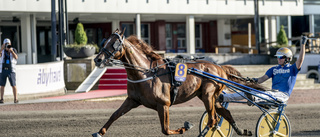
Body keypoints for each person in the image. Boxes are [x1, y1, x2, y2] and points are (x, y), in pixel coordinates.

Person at [219, 36, 307, 104]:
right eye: (278, 57)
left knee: (265, 94)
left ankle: (254, 98)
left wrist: (303, 44)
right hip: (272, 93)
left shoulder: (292, 69)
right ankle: (224, 98)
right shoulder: (273, 69)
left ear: (288, 58)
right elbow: (261, 79)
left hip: (282, 95)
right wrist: (252, 80)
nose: (278, 59)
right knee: (247, 92)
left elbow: (300, 60)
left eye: (281, 57)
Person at [0, 38, 19, 103]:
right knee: (2, 85)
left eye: (8, 44)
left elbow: (16, 57)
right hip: (3, 69)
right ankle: (1, 99)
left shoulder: (13, 50)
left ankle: (15, 99)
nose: (7, 46)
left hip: (11, 70)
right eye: (6, 44)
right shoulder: (2, 51)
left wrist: (11, 51)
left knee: (13, 85)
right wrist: (1, 49)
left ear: (10, 44)